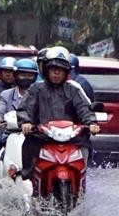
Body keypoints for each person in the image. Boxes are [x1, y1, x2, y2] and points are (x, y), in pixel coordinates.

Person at [16, 46, 99, 182]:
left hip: (71, 138)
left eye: (60, 70)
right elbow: (25, 108)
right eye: (53, 69)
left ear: (66, 72)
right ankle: (29, 182)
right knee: (29, 144)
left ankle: (81, 182)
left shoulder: (74, 90)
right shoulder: (36, 89)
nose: (56, 73)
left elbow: (84, 108)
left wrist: (92, 123)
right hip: (42, 136)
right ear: (46, 70)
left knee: (85, 145)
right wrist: (25, 122)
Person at [0, 59, 38, 156]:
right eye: (23, 75)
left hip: (34, 135)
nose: (26, 78)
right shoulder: (6, 94)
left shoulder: (41, 94)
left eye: (30, 75)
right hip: (10, 134)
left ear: (35, 77)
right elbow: (0, 110)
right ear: (15, 76)